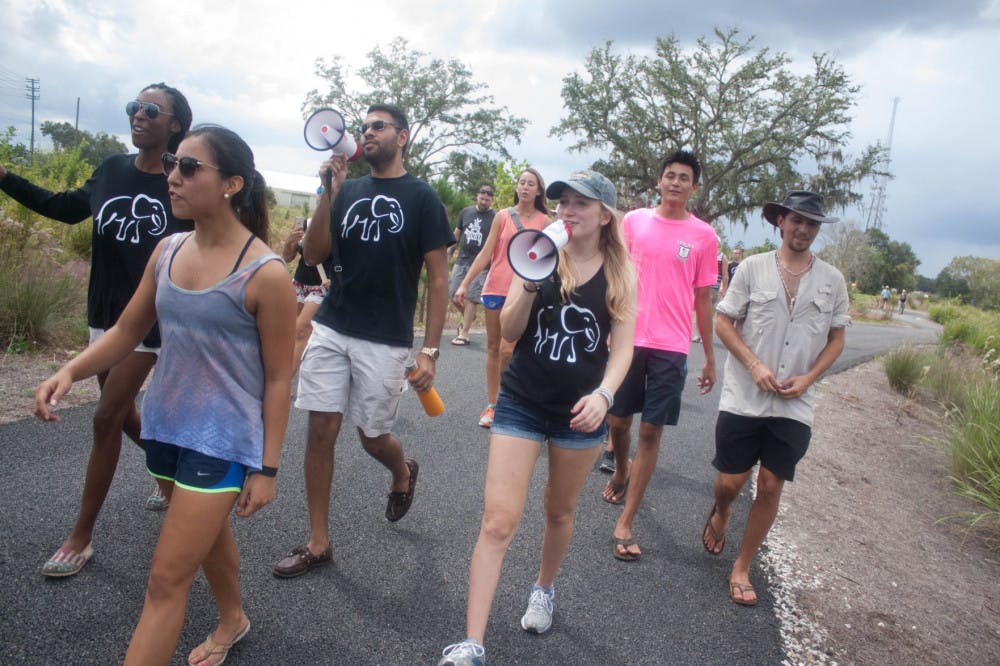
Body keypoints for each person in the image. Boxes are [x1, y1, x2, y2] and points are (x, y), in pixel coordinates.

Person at [35, 125, 296, 664]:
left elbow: (278, 378)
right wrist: (70, 372)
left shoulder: (266, 274)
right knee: (204, 535)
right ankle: (233, 619)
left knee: (164, 582)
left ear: (231, 184)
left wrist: (266, 469)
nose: (173, 176)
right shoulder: (168, 249)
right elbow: (128, 332)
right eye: (174, 164)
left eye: (189, 167)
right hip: (164, 428)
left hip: (222, 442)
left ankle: (226, 622)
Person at [437, 170, 636, 666]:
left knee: (558, 511)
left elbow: (624, 347)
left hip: (579, 415)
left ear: (604, 215)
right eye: (563, 202)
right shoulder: (540, 255)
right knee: (499, 521)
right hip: (522, 401)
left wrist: (606, 395)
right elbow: (507, 330)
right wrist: (529, 276)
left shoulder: (620, 273)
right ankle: (473, 644)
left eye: (579, 204)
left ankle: (544, 588)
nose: (567, 211)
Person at [0, 82, 193, 577]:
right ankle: (170, 470)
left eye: (151, 110)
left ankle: (80, 537)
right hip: (103, 313)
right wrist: (4, 176)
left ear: (174, 125)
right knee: (125, 414)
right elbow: (65, 208)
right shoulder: (110, 169)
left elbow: (208, 239)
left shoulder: (181, 181)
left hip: (152, 319)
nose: (138, 115)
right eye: (134, 107)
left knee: (105, 418)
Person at [272, 103, 453, 578]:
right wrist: (327, 194)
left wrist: (430, 350)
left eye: (379, 126)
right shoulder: (346, 189)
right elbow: (312, 255)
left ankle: (401, 469)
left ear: (403, 136)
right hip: (333, 325)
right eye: (364, 127)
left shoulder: (423, 198)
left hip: (386, 337)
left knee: (372, 437)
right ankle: (318, 541)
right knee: (320, 429)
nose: (367, 133)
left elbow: (438, 281)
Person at [701, 190, 849, 606]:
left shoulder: (832, 280)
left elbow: (837, 339)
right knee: (731, 482)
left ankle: (742, 566)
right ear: (780, 222)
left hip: (794, 402)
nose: (803, 229)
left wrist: (809, 378)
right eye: (796, 220)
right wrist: (752, 364)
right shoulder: (752, 268)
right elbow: (724, 322)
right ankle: (723, 509)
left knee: (769, 485)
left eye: (812, 223)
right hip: (745, 395)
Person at [602, 150, 718, 562]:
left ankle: (626, 522)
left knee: (651, 432)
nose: (675, 183)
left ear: (693, 187)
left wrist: (708, 354)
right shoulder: (633, 222)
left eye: (683, 178)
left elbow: (704, 297)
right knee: (618, 421)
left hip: (671, 345)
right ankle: (619, 468)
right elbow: (613, 273)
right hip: (628, 337)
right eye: (669, 175)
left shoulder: (704, 236)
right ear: (659, 181)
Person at [453, 168, 551, 428]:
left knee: (512, 350)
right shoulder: (503, 217)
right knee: (495, 348)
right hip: (495, 288)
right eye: (522, 183)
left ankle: (514, 401)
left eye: (531, 184)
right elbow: (486, 253)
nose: (525, 187)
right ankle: (493, 404)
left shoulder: (545, 222)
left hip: (525, 294)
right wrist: (464, 284)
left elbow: (552, 261)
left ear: (539, 190)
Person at [281, 219, 333, 376]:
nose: (320, 195)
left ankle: (283, 382)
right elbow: (287, 257)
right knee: (288, 331)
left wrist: (338, 278)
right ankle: (279, 376)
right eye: (319, 192)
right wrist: (290, 243)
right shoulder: (309, 224)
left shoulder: (343, 225)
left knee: (301, 329)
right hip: (300, 283)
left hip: (322, 285)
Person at [448, 185, 496, 345]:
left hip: (482, 264)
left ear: (492, 199)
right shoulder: (465, 212)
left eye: (488, 196)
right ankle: (470, 316)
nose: (485, 197)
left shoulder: (495, 217)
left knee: (471, 299)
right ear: (477, 195)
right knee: (453, 294)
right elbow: (456, 235)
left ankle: (465, 333)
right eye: (482, 194)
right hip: (462, 259)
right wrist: (448, 254)